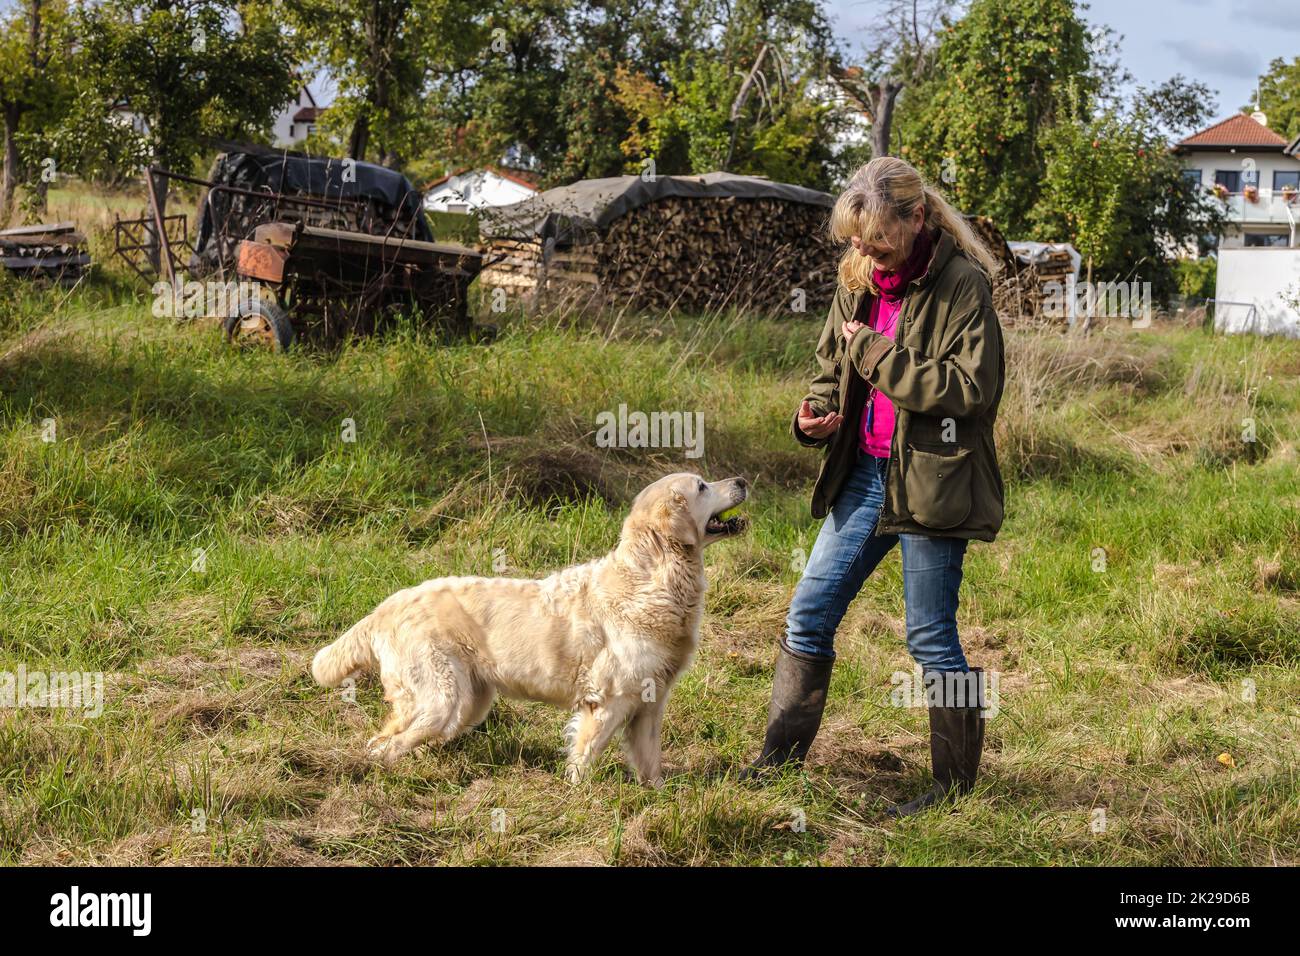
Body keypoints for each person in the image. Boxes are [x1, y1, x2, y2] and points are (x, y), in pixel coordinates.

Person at [742, 156, 1006, 817]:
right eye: (858, 242)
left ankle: (951, 793)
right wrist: (813, 414)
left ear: (918, 221)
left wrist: (879, 357)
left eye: (880, 242)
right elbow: (833, 366)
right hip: (863, 474)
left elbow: (972, 393)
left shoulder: (964, 288)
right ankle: (776, 767)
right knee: (808, 613)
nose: (868, 254)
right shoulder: (858, 277)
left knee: (930, 637)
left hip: (933, 481)